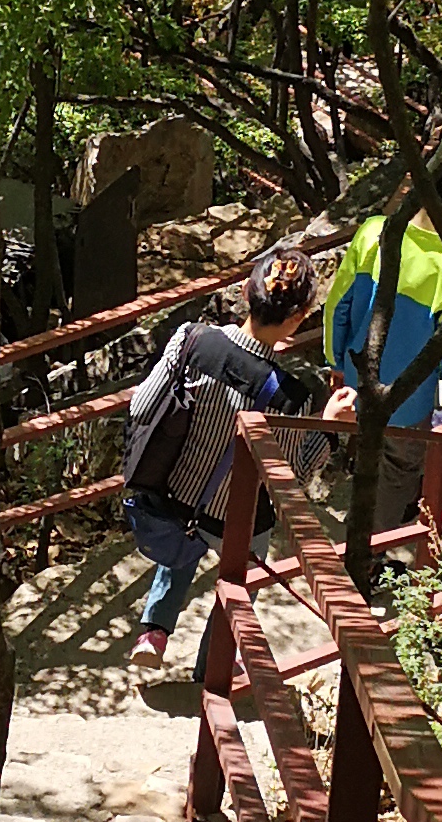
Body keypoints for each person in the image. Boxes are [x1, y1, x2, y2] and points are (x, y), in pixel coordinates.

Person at [122, 245, 328, 683]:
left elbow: (141, 408)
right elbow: (290, 475)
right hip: (236, 519)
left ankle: (153, 633)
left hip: (175, 495)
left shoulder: (193, 340)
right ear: (299, 318)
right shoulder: (291, 396)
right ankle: (215, 660)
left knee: (182, 545)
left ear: (244, 292)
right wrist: (328, 428)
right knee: (240, 578)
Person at [323, 138, 442, 562]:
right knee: (398, 468)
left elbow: (337, 306)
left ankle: (358, 536)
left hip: (359, 379)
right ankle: (365, 555)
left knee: (364, 447)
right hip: (406, 399)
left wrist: (335, 360)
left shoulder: (374, 233)